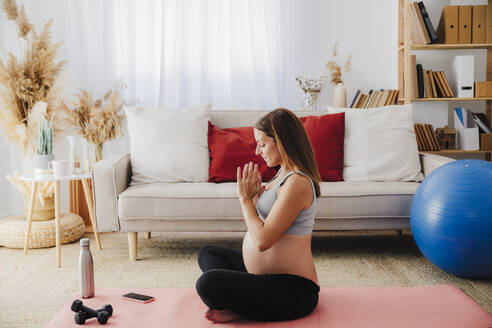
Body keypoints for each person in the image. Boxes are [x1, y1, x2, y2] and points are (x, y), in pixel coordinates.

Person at [196, 108, 321, 323]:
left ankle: (243, 306)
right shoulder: (280, 175)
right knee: (209, 253)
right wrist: (254, 200)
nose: (257, 151)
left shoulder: (297, 183)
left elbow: (263, 241)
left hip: (294, 291)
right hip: (264, 278)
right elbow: (263, 222)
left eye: (262, 144)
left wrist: (245, 201)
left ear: (281, 141)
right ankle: (248, 301)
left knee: (207, 284)